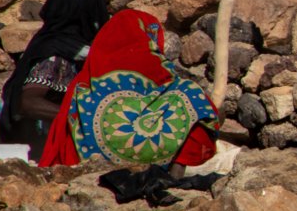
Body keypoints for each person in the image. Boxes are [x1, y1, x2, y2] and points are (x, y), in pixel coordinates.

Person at [39, 9, 220, 176]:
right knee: (192, 100)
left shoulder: (84, 80)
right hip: (152, 154)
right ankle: (174, 178)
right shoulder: (155, 65)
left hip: (89, 164)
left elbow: (64, 125)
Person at [0, 0, 112, 161]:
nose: (108, 12)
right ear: (90, 9)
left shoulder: (73, 48)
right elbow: (28, 103)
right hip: (36, 152)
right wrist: (85, 119)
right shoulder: (57, 53)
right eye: (104, 5)